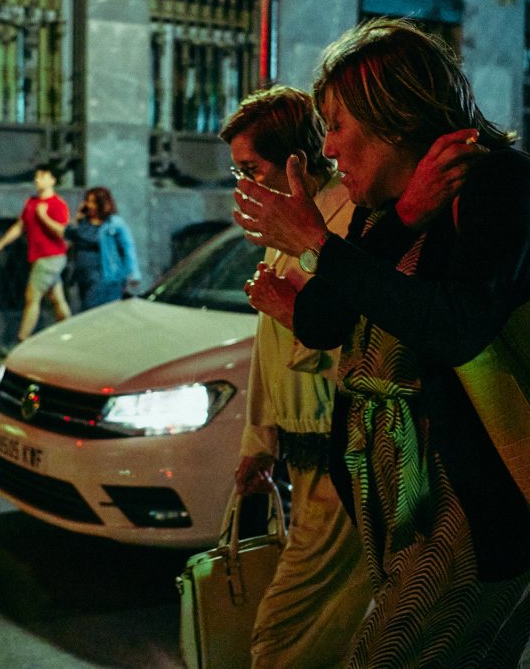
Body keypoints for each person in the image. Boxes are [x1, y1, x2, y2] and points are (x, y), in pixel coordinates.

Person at [233, 18, 530, 667]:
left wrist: (319, 243)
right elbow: (324, 319)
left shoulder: (501, 183)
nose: (328, 148)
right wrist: (403, 217)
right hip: (396, 504)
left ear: (395, 115)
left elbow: (459, 327)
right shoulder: (387, 204)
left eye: (338, 124)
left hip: (471, 507)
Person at [219, 85, 372, 669]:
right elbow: (268, 350)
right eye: (238, 172)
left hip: (342, 462)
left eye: (251, 169)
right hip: (303, 463)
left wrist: (294, 312)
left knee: (281, 634)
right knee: (325, 630)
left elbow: (368, 338)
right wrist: (258, 443)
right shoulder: (285, 232)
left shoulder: (345, 220)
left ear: (294, 162)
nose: (243, 185)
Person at [0, 163, 72, 343]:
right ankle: (71, 334)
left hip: (51, 257)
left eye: (42, 176)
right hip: (40, 257)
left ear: (53, 180)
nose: (37, 180)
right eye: (36, 176)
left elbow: (62, 232)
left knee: (32, 297)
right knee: (57, 299)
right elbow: (20, 226)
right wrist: (1, 244)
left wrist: (44, 217)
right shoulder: (31, 202)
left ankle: (22, 340)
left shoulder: (57, 204)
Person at [66, 187, 141, 310]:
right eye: (87, 201)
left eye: (93, 202)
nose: (89, 205)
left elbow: (128, 248)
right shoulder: (84, 221)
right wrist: (77, 217)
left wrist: (133, 273)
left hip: (104, 277)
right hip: (84, 276)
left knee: (92, 310)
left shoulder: (114, 223)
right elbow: (68, 234)